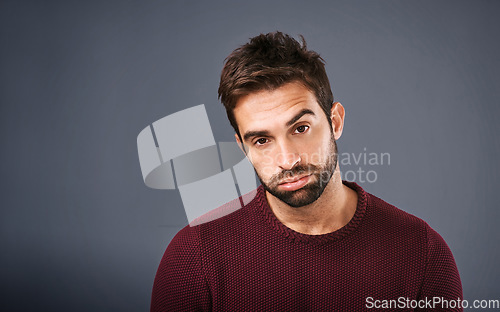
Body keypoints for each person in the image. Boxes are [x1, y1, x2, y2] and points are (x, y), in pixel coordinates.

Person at [150, 31, 462, 311]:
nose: (287, 160)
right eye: (261, 140)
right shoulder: (193, 257)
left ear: (335, 122)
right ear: (242, 147)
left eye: (300, 128)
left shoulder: (422, 253)